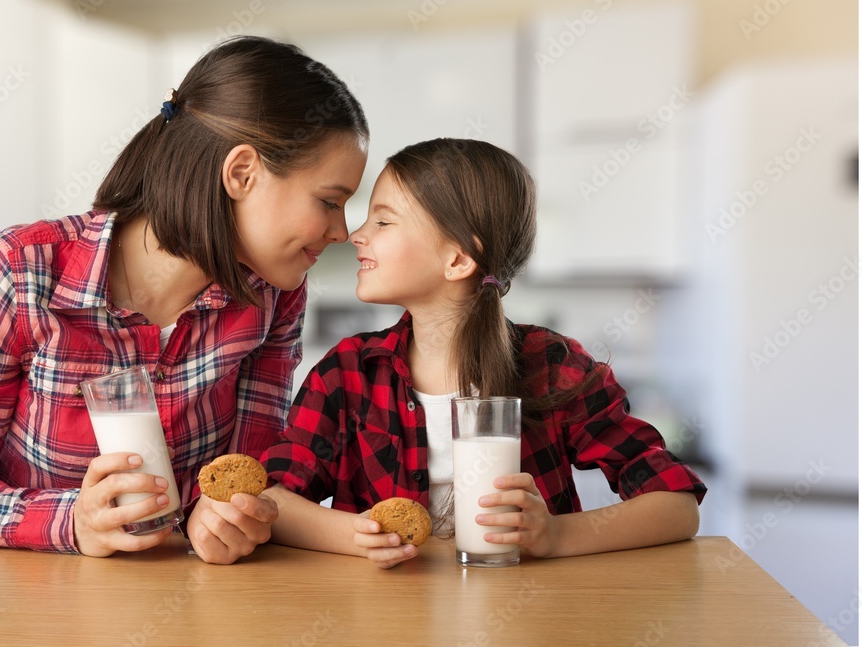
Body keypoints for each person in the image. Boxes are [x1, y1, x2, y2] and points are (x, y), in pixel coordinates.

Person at [0, 36, 369, 560]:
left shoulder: (272, 297)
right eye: (329, 202)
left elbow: (248, 475)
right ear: (241, 173)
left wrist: (227, 520)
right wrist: (70, 521)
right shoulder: (18, 273)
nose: (341, 232)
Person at [259, 138, 706, 568]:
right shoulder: (348, 372)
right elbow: (271, 500)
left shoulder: (550, 365)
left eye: (383, 221)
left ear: (457, 259)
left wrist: (556, 536)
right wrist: (360, 537)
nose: (355, 235)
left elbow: (675, 505)